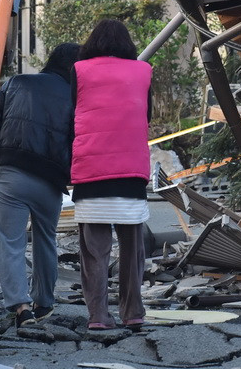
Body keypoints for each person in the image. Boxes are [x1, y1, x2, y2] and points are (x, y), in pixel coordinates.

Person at [0, 42, 80, 328]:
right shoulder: (76, 97)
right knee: (45, 240)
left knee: (11, 243)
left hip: (12, 173)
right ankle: (44, 303)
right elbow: (76, 140)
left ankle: (21, 308)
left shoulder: (16, 83)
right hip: (50, 181)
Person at [70, 19, 151, 330]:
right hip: (130, 172)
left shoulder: (79, 70)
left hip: (91, 171)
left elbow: (72, 114)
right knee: (133, 250)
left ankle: (98, 317)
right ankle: (133, 313)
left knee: (94, 252)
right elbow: (147, 115)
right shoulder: (143, 71)